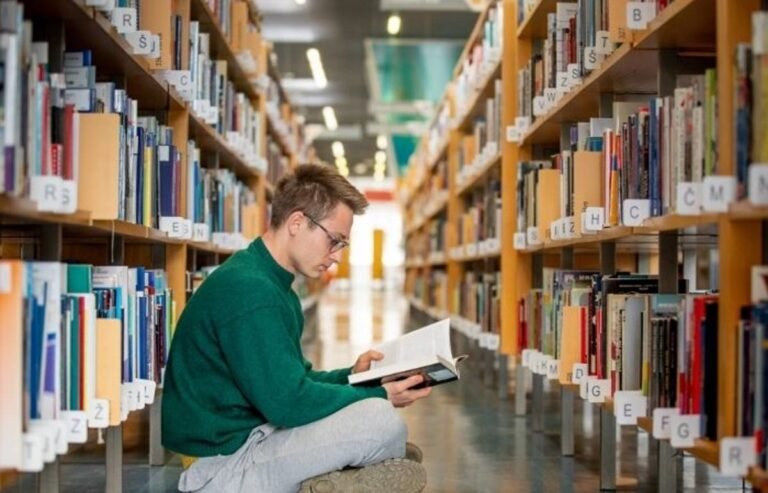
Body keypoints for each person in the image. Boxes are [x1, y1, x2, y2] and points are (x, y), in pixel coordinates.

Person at [161, 164, 432, 493]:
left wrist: (353, 376)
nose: (336, 257)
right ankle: (336, 476)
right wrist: (378, 392)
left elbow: (293, 381)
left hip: (249, 437)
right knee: (380, 421)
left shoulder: (271, 285)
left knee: (378, 421)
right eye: (334, 241)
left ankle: (340, 474)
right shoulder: (252, 291)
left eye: (341, 246)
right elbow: (287, 403)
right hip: (220, 465)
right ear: (297, 222)